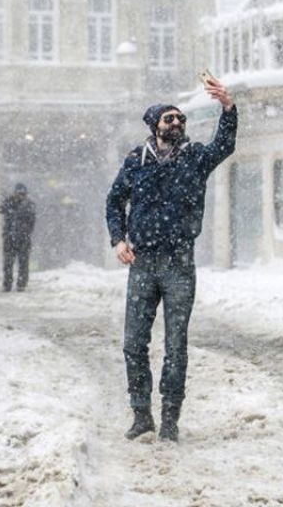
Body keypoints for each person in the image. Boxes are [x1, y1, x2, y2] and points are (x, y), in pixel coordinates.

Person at [105, 78, 236, 442]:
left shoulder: (195, 158)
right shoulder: (136, 161)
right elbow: (114, 201)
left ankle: (170, 419)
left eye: (180, 119)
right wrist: (118, 240)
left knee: (176, 345)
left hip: (179, 263)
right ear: (155, 127)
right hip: (143, 264)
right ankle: (141, 415)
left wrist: (228, 109)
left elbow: (225, 144)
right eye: (169, 120)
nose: (176, 124)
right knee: (134, 343)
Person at [0, 183, 37, 292]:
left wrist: (26, 232)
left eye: (23, 194)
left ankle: (21, 284)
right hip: (9, 238)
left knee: (23, 263)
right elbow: (0, 209)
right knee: (8, 263)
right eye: (19, 194)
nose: (21, 196)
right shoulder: (9, 202)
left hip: (23, 239)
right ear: (14, 193)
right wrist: (11, 202)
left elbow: (32, 222)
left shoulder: (29, 205)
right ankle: (7, 284)